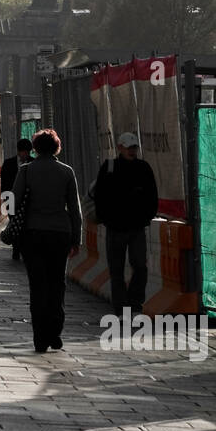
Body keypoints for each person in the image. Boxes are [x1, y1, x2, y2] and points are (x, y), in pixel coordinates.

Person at [12, 128, 81, 353]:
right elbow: (75, 209)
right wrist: (76, 239)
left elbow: (12, 202)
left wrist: (13, 224)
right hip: (60, 234)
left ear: (35, 148)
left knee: (37, 285)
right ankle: (55, 332)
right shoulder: (66, 172)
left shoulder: (26, 171)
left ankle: (40, 337)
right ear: (56, 147)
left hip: (32, 234)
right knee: (57, 284)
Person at [91, 132, 159, 316]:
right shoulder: (110, 167)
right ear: (120, 147)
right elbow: (100, 196)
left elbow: (152, 195)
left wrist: (146, 217)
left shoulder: (143, 168)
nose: (132, 151)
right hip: (115, 228)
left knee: (140, 266)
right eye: (128, 147)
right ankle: (121, 308)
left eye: (134, 147)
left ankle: (135, 304)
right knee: (117, 269)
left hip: (136, 227)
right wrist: (106, 218)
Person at [0, 138, 33, 261]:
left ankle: (22, 248)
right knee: (14, 223)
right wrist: (6, 201)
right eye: (24, 152)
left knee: (25, 225)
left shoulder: (33, 163)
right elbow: (4, 184)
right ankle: (16, 247)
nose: (26, 154)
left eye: (28, 152)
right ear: (19, 151)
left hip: (27, 201)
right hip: (11, 200)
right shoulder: (8, 164)